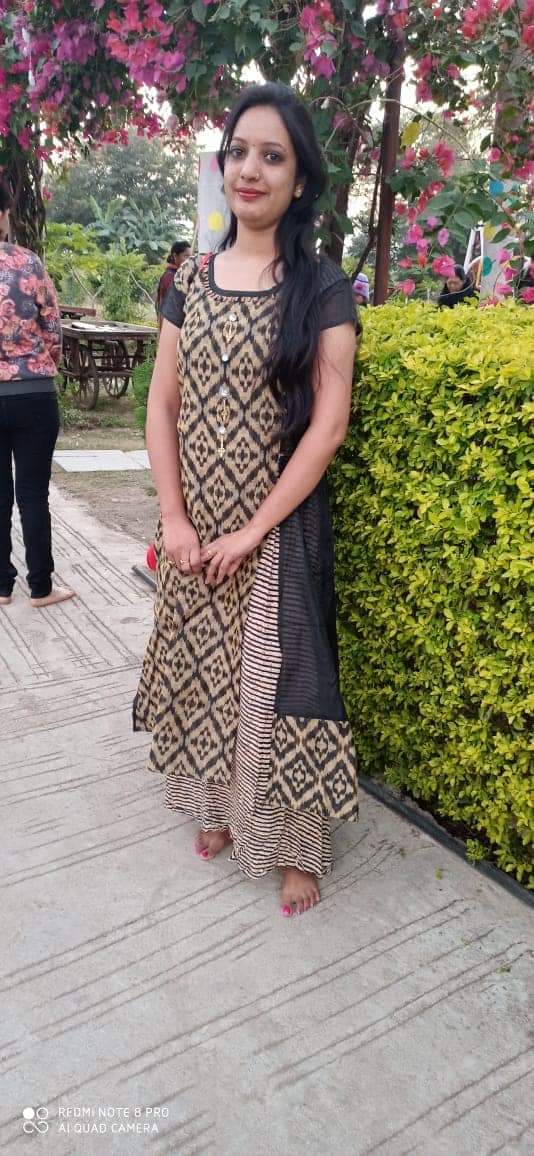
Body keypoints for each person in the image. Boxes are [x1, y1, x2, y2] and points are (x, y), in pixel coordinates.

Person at [134, 82, 361, 917]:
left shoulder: (323, 288)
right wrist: (174, 517)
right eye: (238, 152)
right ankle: (223, 809)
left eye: (272, 156)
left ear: (299, 181)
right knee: (207, 673)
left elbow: (327, 429)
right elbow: (162, 404)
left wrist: (253, 531)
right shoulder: (191, 280)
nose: (250, 170)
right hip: (195, 528)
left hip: (277, 530)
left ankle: (296, 848)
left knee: (280, 685)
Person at [0, 182, 74, 608]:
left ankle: (1, 586)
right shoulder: (27, 262)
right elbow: (53, 329)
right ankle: (41, 587)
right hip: (33, 394)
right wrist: (43, 365)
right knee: (32, 494)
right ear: (5, 212)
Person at [155, 240, 191, 321]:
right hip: (170, 323)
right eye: (186, 256)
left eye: (190, 257)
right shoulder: (170, 276)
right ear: (175, 256)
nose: (189, 260)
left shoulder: (180, 275)